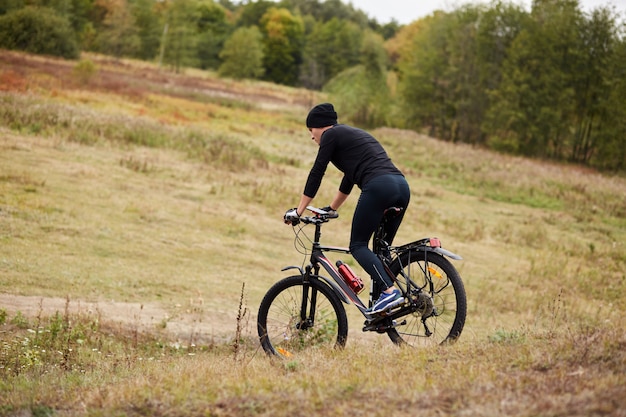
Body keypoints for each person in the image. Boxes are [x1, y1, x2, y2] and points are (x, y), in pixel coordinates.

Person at [284, 103, 411, 314]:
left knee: (358, 245)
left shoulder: (331, 135)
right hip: (401, 187)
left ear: (321, 127)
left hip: (378, 187)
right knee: (382, 248)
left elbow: (317, 173)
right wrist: (332, 209)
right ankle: (387, 309)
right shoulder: (350, 135)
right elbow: (349, 178)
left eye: (311, 130)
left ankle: (389, 292)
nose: (311, 136)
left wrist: (298, 212)